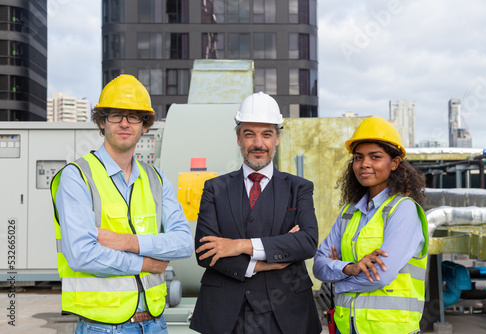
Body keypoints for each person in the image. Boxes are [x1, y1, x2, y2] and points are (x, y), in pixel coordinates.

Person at [50, 74, 193, 333]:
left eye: (134, 116)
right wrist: (145, 263)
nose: (125, 123)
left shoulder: (157, 180)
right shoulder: (77, 176)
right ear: (103, 121)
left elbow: (183, 243)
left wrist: (127, 242)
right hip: (103, 327)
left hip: (155, 322)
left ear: (145, 125)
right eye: (116, 115)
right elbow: (82, 255)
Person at [189, 92, 322, 334]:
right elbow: (205, 252)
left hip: (286, 315)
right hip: (225, 314)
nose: (258, 143)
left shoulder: (299, 188)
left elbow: (307, 243)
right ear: (238, 138)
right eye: (249, 134)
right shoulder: (214, 188)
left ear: (277, 138)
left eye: (266, 134)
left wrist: (240, 245)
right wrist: (266, 263)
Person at [313, 117, 429, 334]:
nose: (364, 164)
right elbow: (318, 265)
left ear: (394, 163)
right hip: (345, 327)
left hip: (389, 329)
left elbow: (381, 276)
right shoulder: (350, 212)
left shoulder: (403, 210)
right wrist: (350, 268)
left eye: (375, 157)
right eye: (358, 157)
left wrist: (338, 280)